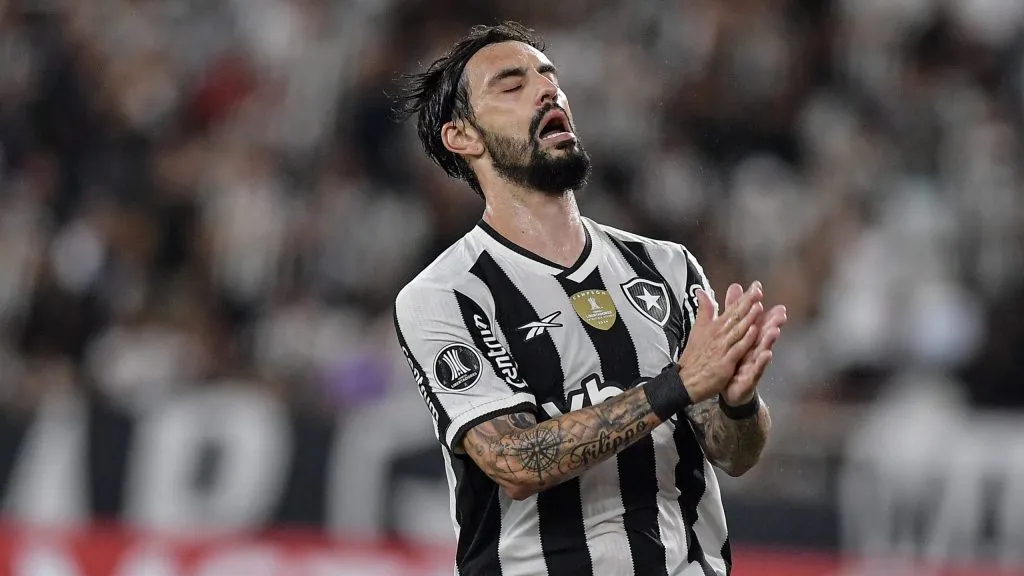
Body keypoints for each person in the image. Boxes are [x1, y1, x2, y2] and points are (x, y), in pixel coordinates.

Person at [392, 22, 787, 576]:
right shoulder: (445, 294)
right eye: (512, 84)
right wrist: (677, 385)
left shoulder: (665, 266)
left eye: (549, 77)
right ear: (463, 136)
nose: (546, 90)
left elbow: (735, 455)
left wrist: (738, 403)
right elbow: (513, 461)